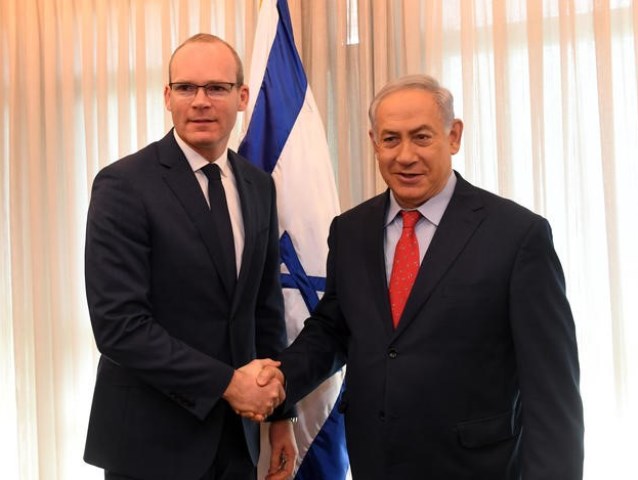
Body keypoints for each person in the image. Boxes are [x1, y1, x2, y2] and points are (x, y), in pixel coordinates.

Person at [257, 74, 584, 478]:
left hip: (477, 468)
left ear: (454, 136)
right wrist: (280, 377)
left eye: (422, 137)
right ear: (374, 142)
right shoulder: (351, 230)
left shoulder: (517, 235)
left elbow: (553, 394)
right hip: (376, 463)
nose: (405, 155)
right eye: (391, 139)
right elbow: (333, 330)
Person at [84, 33, 296, 480]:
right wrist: (226, 384)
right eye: (186, 88)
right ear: (167, 96)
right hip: (149, 443)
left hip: (237, 442)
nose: (200, 101)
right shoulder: (123, 185)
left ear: (241, 98)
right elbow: (118, 326)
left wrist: (281, 417)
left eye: (216, 88)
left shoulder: (259, 186)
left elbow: (265, 313)